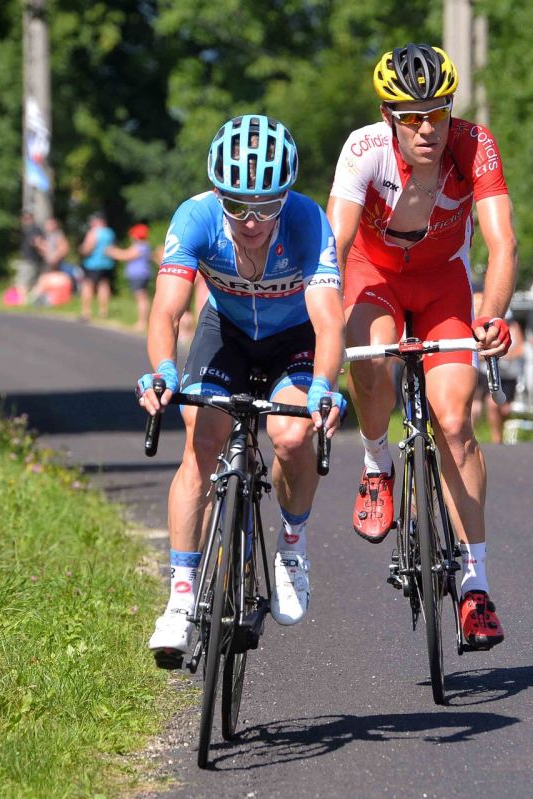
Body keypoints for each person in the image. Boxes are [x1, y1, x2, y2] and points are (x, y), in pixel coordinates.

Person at [327, 43, 518, 650]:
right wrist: (323, 328)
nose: (427, 128)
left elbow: (503, 244)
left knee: (455, 421)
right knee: (372, 361)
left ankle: (475, 586)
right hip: (374, 275)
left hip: (443, 283)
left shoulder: (474, 144)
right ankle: (376, 463)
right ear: (388, 116)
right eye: (411, 117)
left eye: (437, 112)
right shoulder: (364, 149)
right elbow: (335, 245)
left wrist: (492, 314)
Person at [137, 115, 345, 663]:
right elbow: (167, 311)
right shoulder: (195, 216)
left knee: (292, 437)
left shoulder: (307, 221)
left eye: (267, 206)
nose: (252, 221)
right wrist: (163, 370)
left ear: (286, 195)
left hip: (293, 338)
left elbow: (329, 323)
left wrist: (324, 386)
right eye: (236, 205)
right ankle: (180, 598)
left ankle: (292, 547)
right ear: (217, 194)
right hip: (225, 331)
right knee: (202, 443)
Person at [108, 223, 154, 331]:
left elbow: (127, 255)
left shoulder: (140, 246)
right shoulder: (145, 245)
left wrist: (112, 252)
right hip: (142, 275)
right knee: (143, 298)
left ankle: (142, 322)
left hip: (138, 275)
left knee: (141, 299)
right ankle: (144, 322)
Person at [78, 211, 116, 321]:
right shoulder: (110, 232)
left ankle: (86, 312)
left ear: (98, 221)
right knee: (104, 285)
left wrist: (81, 250)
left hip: (93, 264)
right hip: (107, 264)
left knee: (87, 286)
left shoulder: (94, 232)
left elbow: (88, 248)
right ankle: (103, 312)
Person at [15, 210, 43, 295]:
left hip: (29, 261)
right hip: (32, 261)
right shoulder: (31, 229)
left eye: (24, 218)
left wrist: (45, 253)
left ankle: (21, 301)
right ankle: (30, 301)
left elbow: (38, 242)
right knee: (32, 284)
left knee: (22, 283)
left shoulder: (33, 229)